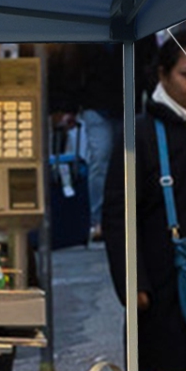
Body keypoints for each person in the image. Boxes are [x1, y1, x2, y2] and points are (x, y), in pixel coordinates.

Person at [102, 30, 186, 371]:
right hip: (161, 291)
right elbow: (119, 214)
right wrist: (133, 282)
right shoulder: (139, 135)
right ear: (163, 75)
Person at [44, 44, 122, 241]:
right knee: (102, 158)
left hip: (118, 101)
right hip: (98, 103)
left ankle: (111, 217)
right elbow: (72, 70)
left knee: (108, 160)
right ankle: (100, 219)